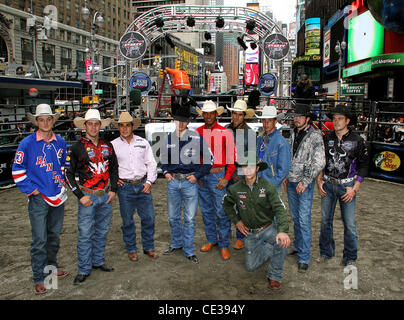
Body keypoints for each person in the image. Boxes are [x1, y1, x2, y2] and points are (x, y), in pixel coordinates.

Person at [12, 104, 69, 295]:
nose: (45, 122)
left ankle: (51, 270)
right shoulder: (26, 144)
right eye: (41, 119)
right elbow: (17, 171)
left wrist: (60, 184)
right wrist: (32, 190)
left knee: (54, 236)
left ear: (53, 121)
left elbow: (62, 166)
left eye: (48, 119)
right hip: (38, 199)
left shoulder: (60, 142)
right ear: (36, 122)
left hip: (57, 196)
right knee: (39, 239)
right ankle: (38, 277)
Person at [65, 109, 118, 285]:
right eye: (90, 124)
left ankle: (98, 261)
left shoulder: (107, 145)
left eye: (97, 124)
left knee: (102, 231)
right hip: (87, 196)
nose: (94, 127)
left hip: (105, 195)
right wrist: (79, 196)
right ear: (85, 126)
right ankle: (83, 269)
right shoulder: (77, 147)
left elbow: (114, 169)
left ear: (100, 126)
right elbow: (68, 174)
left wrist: (114, 190)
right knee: (85, 234)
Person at [222, 152, 290, 290]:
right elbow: (226, 204)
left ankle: (275, 276)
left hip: (268, 228)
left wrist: (282, 231)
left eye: (251, 166)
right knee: (250, 267)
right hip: (250, 232)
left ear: (257, 168)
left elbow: (279, 209)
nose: (248, 170)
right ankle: (270, 248)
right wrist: (237, 221)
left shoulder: (267, 187)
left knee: (282, 242)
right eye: (244, 166)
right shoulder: (235, 189)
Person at [160, 103, 213, 263]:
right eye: (178, 120)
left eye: (184, 121)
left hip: (190, 181)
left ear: (188, 122)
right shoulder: (168, 139)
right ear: (174, 121)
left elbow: (209, 160)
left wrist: (197, 176)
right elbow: (163, 160)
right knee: (173, 217)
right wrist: (166, 172)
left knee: (189, 218)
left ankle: (189, 250)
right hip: (174, 181)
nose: (181, 123)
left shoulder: (197, 138)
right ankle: (176, 243)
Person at [317, 104, 369, 266]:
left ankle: (350, 257)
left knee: (350, 224)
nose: (336, 121)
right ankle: (326, 252)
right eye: (334, 118)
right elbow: (322, 161)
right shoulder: (327, 138)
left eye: (340, 118)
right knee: (325, 221)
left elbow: (364, 165)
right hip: (328, 183)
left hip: (347, 186)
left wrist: (355, 188)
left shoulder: (358, 140)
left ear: (347, 121)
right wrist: (319, 180)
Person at [111, 112, 158, 262]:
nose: (124, 128)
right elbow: (108, 166)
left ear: (132, 126)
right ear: (118, 127)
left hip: (143, 185)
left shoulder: (143, 142)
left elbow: (151, 163)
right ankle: (131, 249)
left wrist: (149, 182)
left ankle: (148, 247)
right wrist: (114, 180)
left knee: (149, 218)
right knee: (127, 221)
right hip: (125, 187)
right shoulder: (113, 145)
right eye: (121, 125)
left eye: (127, 125)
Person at [286, 103, 325, 273]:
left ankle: (304, 256)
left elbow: (319, 161)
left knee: (303, 219)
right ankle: (298, 246)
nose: (296, 118)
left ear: (307, 119)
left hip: (303, 184)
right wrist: (287, 176)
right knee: (296, 216)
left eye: (300, 116)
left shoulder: (315, 135)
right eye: (295, 116)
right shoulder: (293, 133)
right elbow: (289, 156)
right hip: (292, 181)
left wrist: (306, 181)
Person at [195, 100, 237, 260]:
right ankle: (212, 239)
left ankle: (224, 244)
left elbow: (232, 158)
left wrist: (226, 178)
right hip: (203, 176)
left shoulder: (225, 133)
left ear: (216, 114)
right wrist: (197, 174)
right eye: (205, 113)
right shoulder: (198, 132)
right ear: (203, 115)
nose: (208, 116)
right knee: (206, 210)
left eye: (211, 113)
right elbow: (193, 156)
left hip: (218, 174)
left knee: (221, 211)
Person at [225, 99, 257, 250]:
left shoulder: (249, 133)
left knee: (241, 206)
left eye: (239, 115)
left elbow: (250, 157)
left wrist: (243, 175)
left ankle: (240, 236)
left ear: (244, 116)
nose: (236, 117)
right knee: (226, 205)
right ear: (232, 114)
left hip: (239, 175)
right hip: (227, 173)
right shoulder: (226, 129)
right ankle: (226, 233)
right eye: (234, 114)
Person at [256, 105, 291, 194]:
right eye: (264, 120)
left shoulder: (281, 142)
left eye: (269, 120)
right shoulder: (260, 138)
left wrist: (273, 184)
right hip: (258, 181)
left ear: (275, 122)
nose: (266, 123)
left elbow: (284, 170)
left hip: (271, 184)